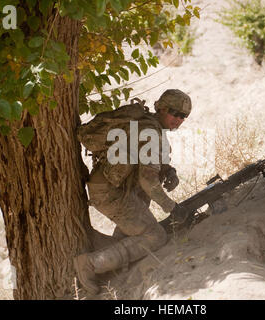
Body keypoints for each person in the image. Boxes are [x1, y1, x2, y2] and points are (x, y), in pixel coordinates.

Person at [74, 89, 192, 295]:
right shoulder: (151, 132)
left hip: (116, 188)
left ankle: (111, 263)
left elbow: (146, 163)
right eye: (175, 113)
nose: (179, 119)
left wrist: (168, 170)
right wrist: (172, 208)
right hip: (110, 192)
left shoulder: (148, 126)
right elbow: (147, 180)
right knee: (155, 236)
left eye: (184, 116)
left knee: (134, 234)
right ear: (162, 108)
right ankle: (90, 265)